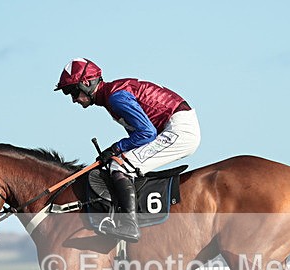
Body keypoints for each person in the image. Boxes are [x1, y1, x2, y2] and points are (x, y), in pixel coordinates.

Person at [54, 58, 200, 242]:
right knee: (120, 162)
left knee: (119, 167)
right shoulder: (111, 96)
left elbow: (147, 133)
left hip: (179, 130)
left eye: (72, 91)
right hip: (174, 126)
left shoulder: (116, 97)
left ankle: (129, 225)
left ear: (86, 83)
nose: (73, 99)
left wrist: (115, 149)